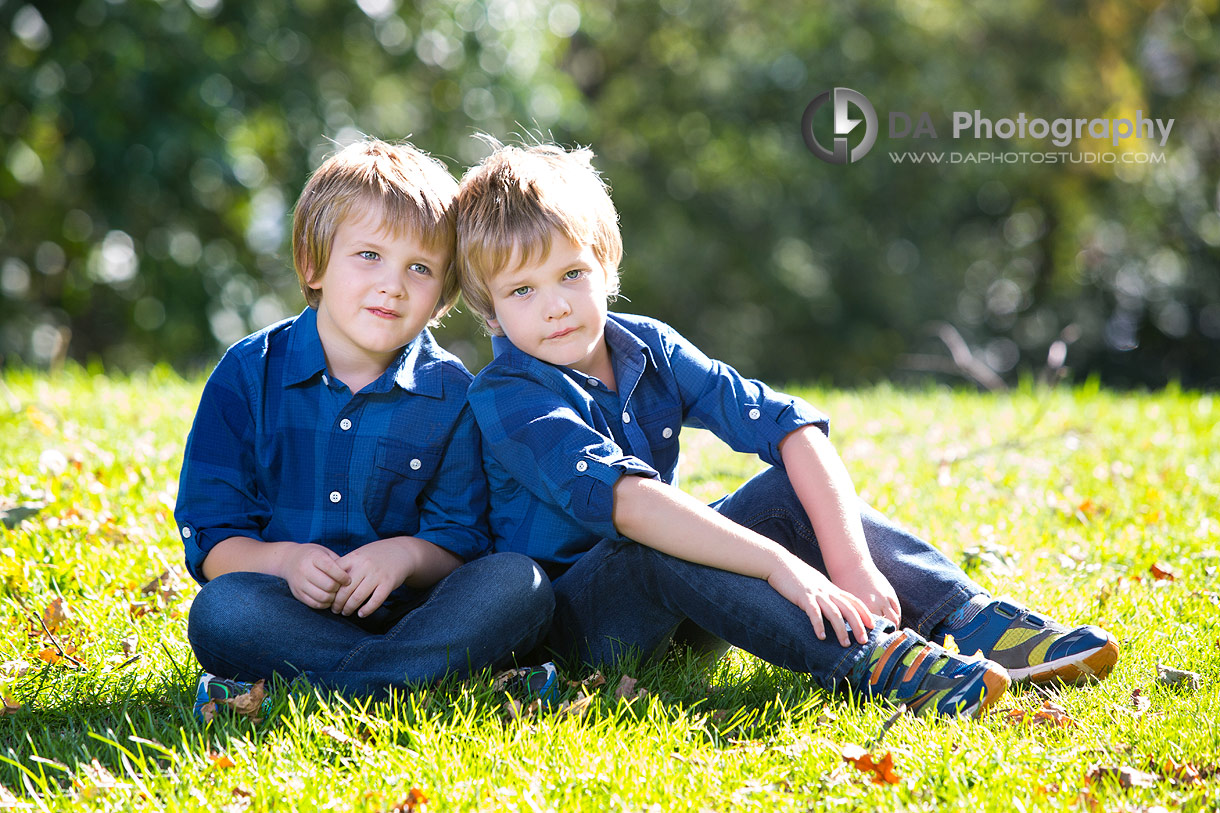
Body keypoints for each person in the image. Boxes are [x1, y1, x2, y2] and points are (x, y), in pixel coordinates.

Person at [452, 141, 1119, 719]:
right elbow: (632, 505)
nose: (557, 305)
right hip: (580, 630)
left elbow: (793, 427)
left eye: (572, 273)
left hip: (690, 607)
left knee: (780, 491)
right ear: (489, 310)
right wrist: (783, 565)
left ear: (606, 265)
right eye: (522, 291)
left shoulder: (647, 346)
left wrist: (849, 562)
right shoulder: (506, 394)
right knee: (657, 532)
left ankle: (969, 619)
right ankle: (879, 663)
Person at [175, 138, 553, 717]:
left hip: (420, 615)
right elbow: (213, 538)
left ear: (442, 295)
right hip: (285, 612)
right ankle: (425, 683)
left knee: (517, 582)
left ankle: (322, 690)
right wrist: (286, 562)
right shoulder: (247, 375)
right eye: (369, 255)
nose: (393, 285)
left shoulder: (454, 394)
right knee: (222, 611)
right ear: (313, 263)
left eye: (420, 268)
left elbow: (461, 540)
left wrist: (402, 556)